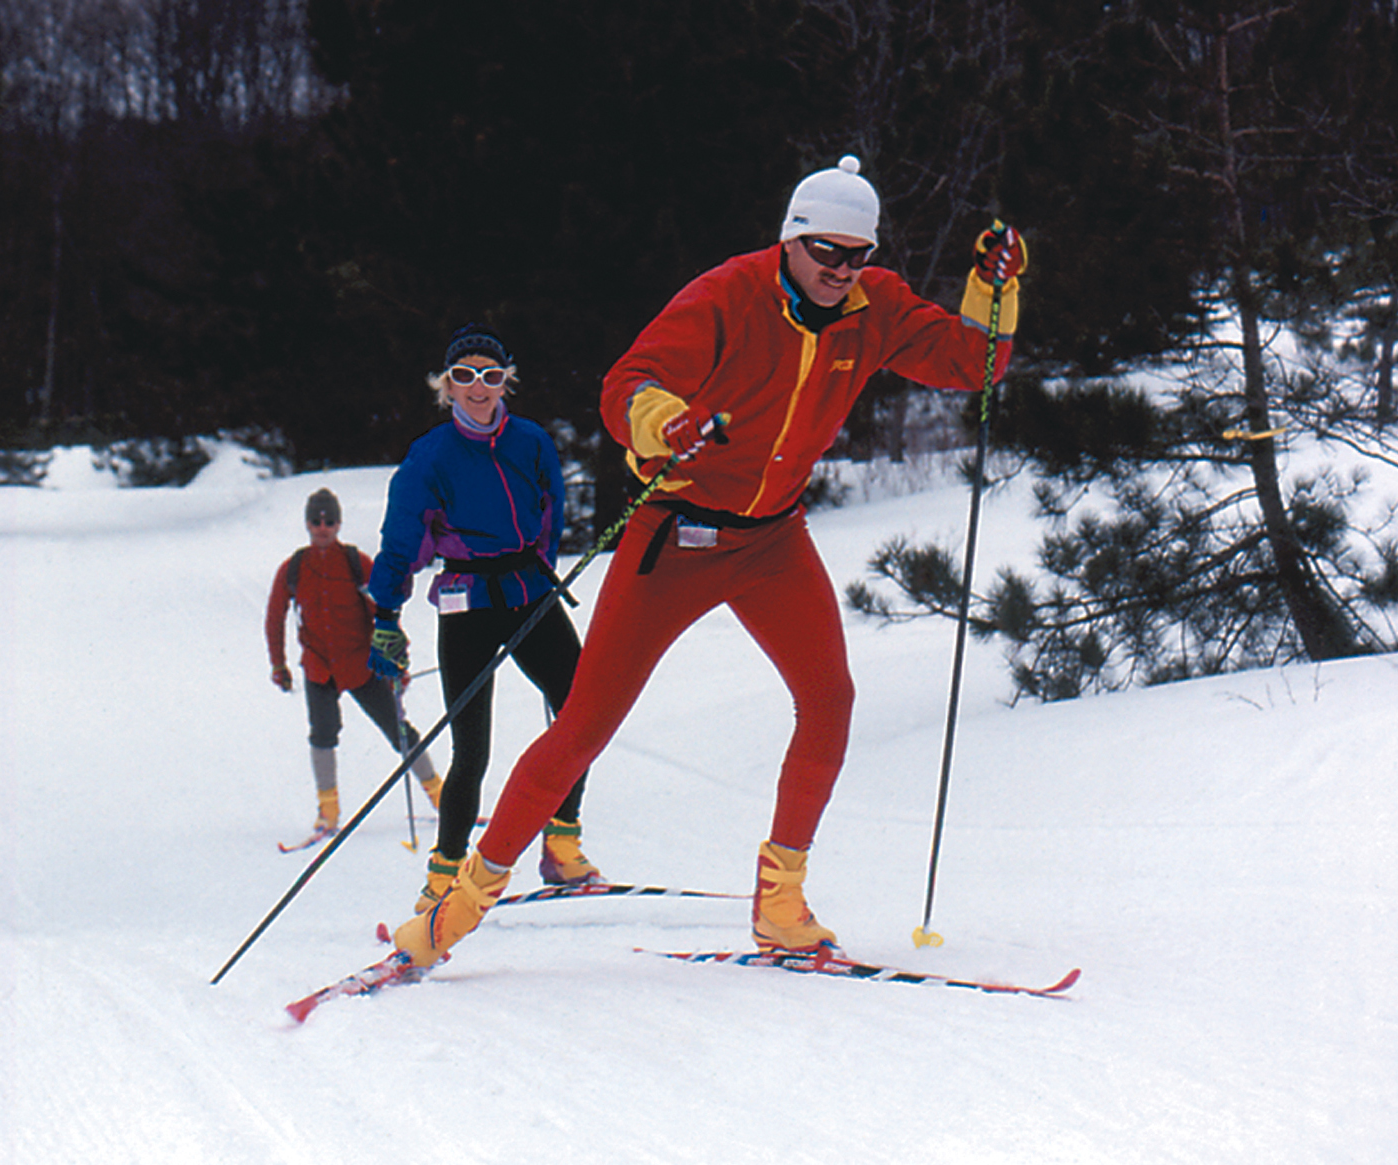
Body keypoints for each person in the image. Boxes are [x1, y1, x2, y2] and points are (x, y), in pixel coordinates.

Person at [387, 155, 1028, 969]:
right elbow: (628, 385)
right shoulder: (730, 293)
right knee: (584, 724)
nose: (840, 271)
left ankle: (781, 902)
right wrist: (665, 422)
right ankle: (463, 901)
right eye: (825, 252)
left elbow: (972, 367)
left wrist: (992, 293)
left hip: (771, 540)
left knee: (828, 701)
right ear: (790, 240)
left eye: (855, 255)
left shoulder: (875, 306)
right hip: (676, 536)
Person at [366, 324, 603, 914]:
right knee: (472, 747)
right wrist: (386, 615)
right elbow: (401, 540)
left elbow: (551, 512)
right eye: (465, 377)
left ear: (507, 383)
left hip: (528, 590)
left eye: (491, 376)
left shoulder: (530, 442)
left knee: (582, 715)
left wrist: (543, 573)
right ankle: (444, 873)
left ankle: (563, 842)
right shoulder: (431, 456)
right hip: (468, 599)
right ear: (446, 386)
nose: (478, 388)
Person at [266, 487, 443, 841]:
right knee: (323, 734)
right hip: (319, 667)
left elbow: (385, 611)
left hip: (362, 665)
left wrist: (396, 662)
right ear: (307, 524)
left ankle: (441, 797)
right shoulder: (294, 568)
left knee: (398, 730)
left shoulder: (355, 562)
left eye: (329, 521)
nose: (322, 528)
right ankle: (327, 810)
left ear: (339, 523)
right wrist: (279, 665)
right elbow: (274, 617)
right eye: (316, 521)